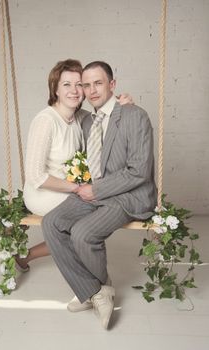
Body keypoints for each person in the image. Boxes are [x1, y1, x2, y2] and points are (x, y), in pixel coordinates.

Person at [41, 61, 157, 329]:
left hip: (129, 195)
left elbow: (139, 171)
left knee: (83, 233)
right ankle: (94, 291)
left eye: (98, 83)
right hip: (96, 192)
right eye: (86, 84)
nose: (91, 90)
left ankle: (98, 289)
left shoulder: (134, 115)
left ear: (112, 85)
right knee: (51, 223)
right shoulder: (87, 119)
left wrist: (97, 189)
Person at [15, 59, 133, 271]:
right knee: (93, 218)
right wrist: (77, 189)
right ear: (56, 90)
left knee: (90, 223)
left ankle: (26, 257)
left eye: (79, 84)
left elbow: (107, 116)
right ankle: (93, 282)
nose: (74, 91)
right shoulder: (46, 121)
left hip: (71, 190)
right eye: (66, 85)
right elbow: (36, 177)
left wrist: (123, 105)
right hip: (43, 192)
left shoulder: (80, 117)